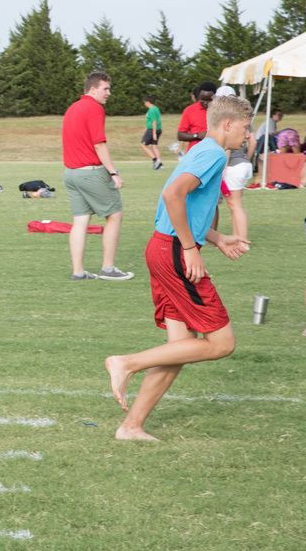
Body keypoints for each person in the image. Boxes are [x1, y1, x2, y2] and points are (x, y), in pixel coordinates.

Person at [104, 95, 253, 441]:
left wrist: (215, 238)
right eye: (246, 129)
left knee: (180, 346)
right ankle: (125, 362)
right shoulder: (214, 153)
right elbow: (173, 195)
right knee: (221, 343)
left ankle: (131, 426)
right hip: (173, 251)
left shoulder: (203, 149)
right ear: (228, 124)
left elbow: (185, 203)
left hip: (162, 247)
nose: (247, 136)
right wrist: (190, 249)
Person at [61, 72, 134, 281]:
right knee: (115, 215)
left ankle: (78, 272)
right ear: (93, 89)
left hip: (71, 174)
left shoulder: (73, 107)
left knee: (80, 221)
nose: (109, 93)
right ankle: (108, 268)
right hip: (90, 173)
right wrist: (113, 172)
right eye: (106, 89)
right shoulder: (94, 108)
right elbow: (99, 143)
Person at [222, 113, 256, 240]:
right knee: (235, 205)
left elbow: (227, 149)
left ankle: (242, 240)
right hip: (244, 165)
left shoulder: (229, 123)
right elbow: (253, 142)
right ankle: (237, 237)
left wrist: (223, 169)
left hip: (233, 167)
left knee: (235, 205)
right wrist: (246, 159)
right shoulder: (244, 121)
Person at [177, 81, 216, 154]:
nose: (205, 102)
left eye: (209, 100)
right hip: (195, 154)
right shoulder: (189, 110)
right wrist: (197, 135)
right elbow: (180, 135)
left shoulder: (221, 110)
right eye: (202, 99)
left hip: (215, 153)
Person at [141, 96, 164, 170]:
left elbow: (154, 121)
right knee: (154, 146)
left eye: (145, 102)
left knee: (143, 145)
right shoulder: (156, 108)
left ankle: (155, 160)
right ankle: (160, 164)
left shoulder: (152, 109)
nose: (145, 104)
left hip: (152, 130)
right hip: (157, 129)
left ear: (148, 102)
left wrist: (153, 133)